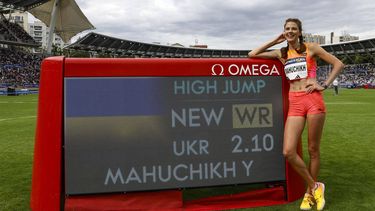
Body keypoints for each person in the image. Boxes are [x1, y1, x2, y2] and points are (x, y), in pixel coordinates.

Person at [248, 18, 344, 211]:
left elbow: (338, 64)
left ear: (299, 32)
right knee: (288, 151)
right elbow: (252, 54)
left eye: (293, 29)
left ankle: (309, 196)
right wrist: (274, 41)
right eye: (287, 29)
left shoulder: (312, 48)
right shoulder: (281, 52)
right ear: (284, 32)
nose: (290, 31)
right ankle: (315, 186)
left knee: (313, 149)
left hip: (313, 100)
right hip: (295, 102)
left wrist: (323, 84)